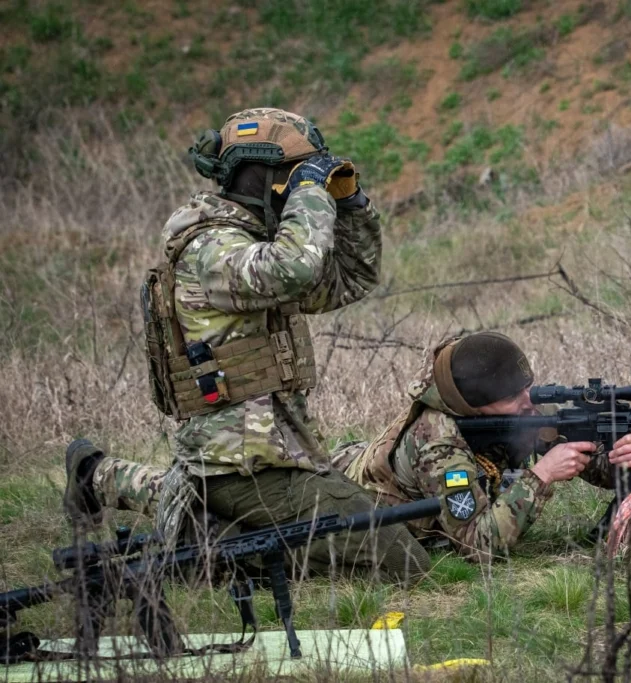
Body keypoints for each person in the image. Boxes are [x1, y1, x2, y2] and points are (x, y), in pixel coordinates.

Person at [62, 108, 430, 584]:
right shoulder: (213, 249)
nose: (303, 186)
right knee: (403, 561)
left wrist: (352, 203)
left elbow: (349, 279)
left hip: (271, 453)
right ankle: (206, 546)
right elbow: (293, 268)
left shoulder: (255, 246)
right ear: (265, 178)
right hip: (239, 463)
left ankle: (101, 476)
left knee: (374, 516)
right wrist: (310, 193)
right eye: (294, 175)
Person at [332, 331, 631, 563]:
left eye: (527, 388)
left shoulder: (510, 410)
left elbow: (587, 459)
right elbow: (477, 543)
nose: (529, 402)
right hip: (345, 497)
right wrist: (541, 476)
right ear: (476, 405)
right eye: (514, 397)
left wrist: (620, 457)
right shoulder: (438, 445)